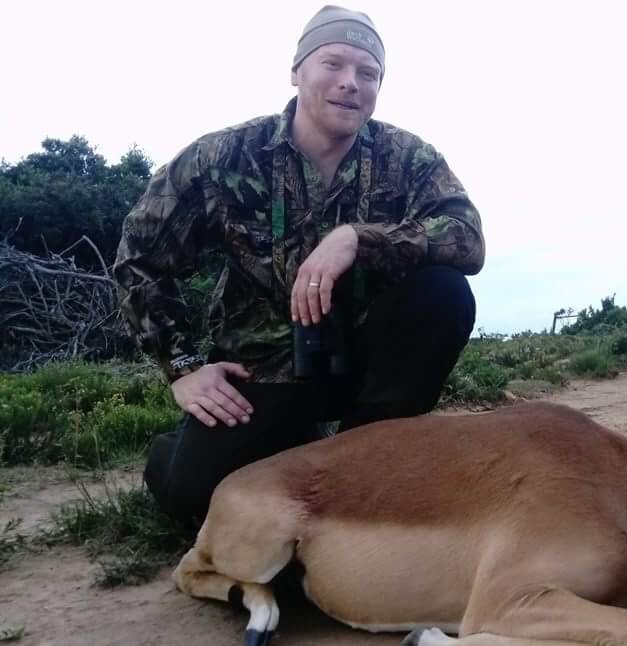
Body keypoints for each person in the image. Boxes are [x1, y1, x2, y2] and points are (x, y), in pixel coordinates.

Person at [114, 5, 484, 526]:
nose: (350, 83)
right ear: (297, 71)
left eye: (368, 72)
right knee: (195, 498)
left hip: (366, 367)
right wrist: (182, 366)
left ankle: (367, 455)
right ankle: (202, 448)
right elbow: (139, 256)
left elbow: (466, 238)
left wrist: (358, 238)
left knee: (444, 292)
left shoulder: (407, 157)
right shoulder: (222, 157)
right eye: (333, 63)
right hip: (263, 368)